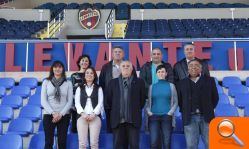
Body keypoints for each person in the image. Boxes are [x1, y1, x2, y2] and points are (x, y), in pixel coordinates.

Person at [176, 59, 218, 149]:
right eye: (191, 66)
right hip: (189, 117)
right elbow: (180, 100)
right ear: (188, 69)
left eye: (196, 65)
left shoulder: (210, 81)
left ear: (201, 69)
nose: (193, 67)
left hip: (207, 117)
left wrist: (208, 108)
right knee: (191, 145)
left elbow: (215, 98)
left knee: (210, 144)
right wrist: (185, 110)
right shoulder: (181, 83)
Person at [105, 61, 145, 149]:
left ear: (131, 69)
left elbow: (142, 101)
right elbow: (108, 101)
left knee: (134, 146)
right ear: (120, 69)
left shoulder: (139, 82)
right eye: (123, 66)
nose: (126, 67)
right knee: (117, 146)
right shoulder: (112, 83)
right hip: (118, 121)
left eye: (128, 66)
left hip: (133, 121)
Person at [99, 46, 137, 132]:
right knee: (111, 122)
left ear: (123, 54)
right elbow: (101, 82)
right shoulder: (106, 67)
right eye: (115, 52)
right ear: (112, 54)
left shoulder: (129, 65)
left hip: (126, 97)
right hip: (111, 98)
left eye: (119, 52)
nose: (117, 53)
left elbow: (134, 81)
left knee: (125, 122)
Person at [41, 60, 73, 149]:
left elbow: (70, 101)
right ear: (52, 69)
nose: (57, 69)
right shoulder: (46, 82)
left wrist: (60, 114)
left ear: (63, 69)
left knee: (62, 142)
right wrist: (53, 113)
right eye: (55, 67)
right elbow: (43, 101)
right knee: (48, 142)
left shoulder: (68, 83)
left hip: (64, 115)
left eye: (60, 67)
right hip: (49, 114)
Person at [146, 65, 178, 149]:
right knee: (153, 143)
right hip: (153, 117)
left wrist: (170, 113)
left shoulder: (171, 86)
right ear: (156, 74)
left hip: (166, 117)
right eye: (159, 72)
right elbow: (148, 102)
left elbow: (175, 102)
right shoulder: (151, 87)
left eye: (163, 71)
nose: (161, 73)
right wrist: (149, 112)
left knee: (167, 143)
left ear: (166, 73)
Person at [75, 67, 103, 149]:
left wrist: (93, 114)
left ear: (94, 76)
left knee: (94, 144)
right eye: (87, 73)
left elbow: (100, 103)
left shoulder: (99, 88)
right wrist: (83, 114)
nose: (89, 75)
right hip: (82, 117)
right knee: (82, 144)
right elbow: (77, 103)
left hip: (95, 117)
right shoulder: (79, 88)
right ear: (84, 75)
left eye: (91, 73)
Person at [70, 55, 92, 133]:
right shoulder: (74, 76)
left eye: (86, 61)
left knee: (88, 131)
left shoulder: (92, 75)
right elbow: (72, 91)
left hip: (89, 107)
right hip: (76, 107)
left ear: (89, 63)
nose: (84, 62)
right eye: (82, 60)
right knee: (75, 129)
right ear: (79, 63)